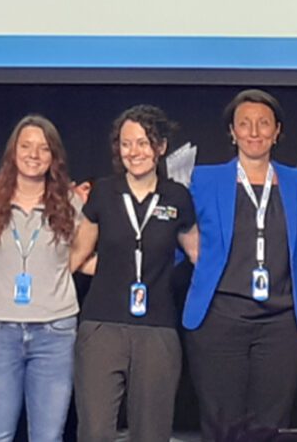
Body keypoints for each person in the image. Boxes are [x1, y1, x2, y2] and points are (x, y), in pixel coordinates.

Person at [182, 89, 297, 440]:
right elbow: (176, 224)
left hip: (282, 323)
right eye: (244, 124)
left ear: (277, 131)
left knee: (270, 426)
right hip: (220, 318)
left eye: (263, 123)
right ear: (232, 131)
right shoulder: (204, 179)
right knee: (221, 425)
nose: (254, 132)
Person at [68, 105, 199, 442]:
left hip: (157, 328)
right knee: (95, 432)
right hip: (102, 325)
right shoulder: (103, 192)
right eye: (126, 144)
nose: (134, 152)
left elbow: (198, 256)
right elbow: (77, 256)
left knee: (151, 433)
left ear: (161, 147)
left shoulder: (177, 197)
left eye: (143, 143)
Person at [0, 115, 84, 442]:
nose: (34, 155)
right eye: (26, 146)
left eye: (43, 148)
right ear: (13, 151)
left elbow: (83, 253)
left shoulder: (71, 203)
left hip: (55, 333)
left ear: (53, 157)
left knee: (48, 437)